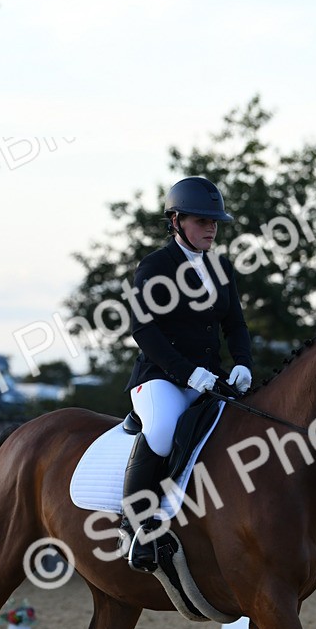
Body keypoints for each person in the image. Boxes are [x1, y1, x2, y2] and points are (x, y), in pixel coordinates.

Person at [119, 176, 253, 571]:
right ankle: (136, 527)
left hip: (211, 380)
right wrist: (186, 373)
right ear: (176, 221)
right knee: (161, 429)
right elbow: (143, 329)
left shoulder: (221, 267)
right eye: (201, 221)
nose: (211, 228)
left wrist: (243, 362)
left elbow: (236, 326)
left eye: (215, 222)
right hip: (159, 378)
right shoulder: (156, 266)